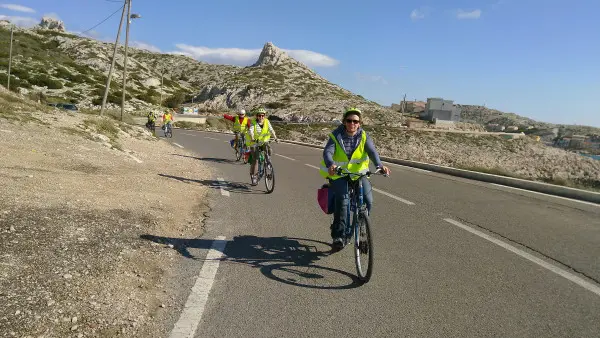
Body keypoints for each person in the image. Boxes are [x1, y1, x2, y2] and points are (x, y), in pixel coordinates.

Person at [319, 107, 391, 251]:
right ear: (344, 122)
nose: (352, 123)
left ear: (359, 123)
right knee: (343, 202)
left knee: (368, 200)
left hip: (359, 174)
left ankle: (362, 223)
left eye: (355, 121)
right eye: (349, 120)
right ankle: (339, 236)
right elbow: (328, 152)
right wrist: (331, 164)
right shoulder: (336, 135)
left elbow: (372, 152)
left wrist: (380, 165)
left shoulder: (364, 136)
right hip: (340, 174)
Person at [247, 107, 279, 185]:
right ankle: (254, 177)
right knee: (256, 160)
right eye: (259, 115)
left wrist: (275, 138)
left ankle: (268, 161)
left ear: (264, 116)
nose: (261, 117)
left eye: (263, 115)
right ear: (257, 116)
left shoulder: (267, 121)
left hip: (264, 142)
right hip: (255, 143)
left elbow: (271, 130)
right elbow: (250, 131)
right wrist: (253, 138)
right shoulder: (253, 122)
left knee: (269, 149)